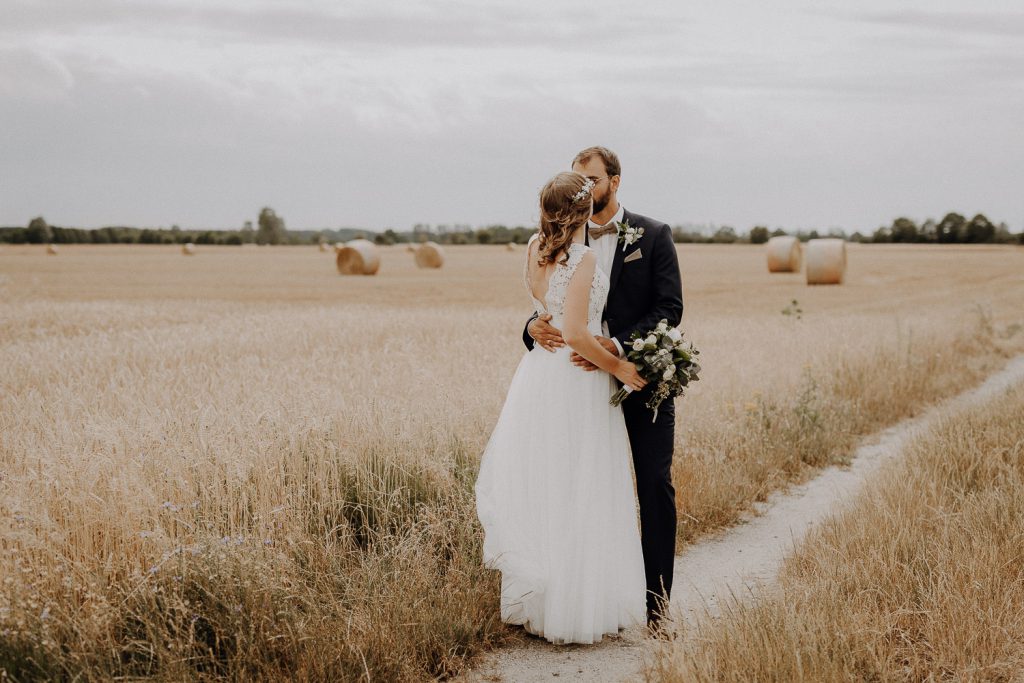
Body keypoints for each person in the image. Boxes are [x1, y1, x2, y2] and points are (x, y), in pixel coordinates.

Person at [475, 171, 648, 644]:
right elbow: (575, 333)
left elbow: (543, 310)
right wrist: (620, 369)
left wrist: (535, 326)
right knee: (582, 482)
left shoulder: (535, 247)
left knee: (546, 482)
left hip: (538, 377)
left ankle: (546, 604)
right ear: (585, 209)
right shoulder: (585, 257)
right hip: (576, 380)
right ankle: (575, 609)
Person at [524, 147, 683, 629]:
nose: (585, 187)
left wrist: (613, 348)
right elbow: (552, 309)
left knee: (652, 486)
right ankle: (583, 599)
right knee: (582, 489)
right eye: (578, 180)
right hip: (577, 387)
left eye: (593, 179)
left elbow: (669, 310)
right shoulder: (559, 240)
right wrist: (532, 327)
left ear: (615, 180)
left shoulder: (653, 235)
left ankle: (656, 607)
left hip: (636, 377)